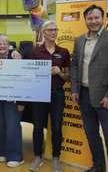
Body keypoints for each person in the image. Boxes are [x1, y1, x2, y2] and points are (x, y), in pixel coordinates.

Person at [71, 4, 108, 172]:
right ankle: (99, 167)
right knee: (92, 135)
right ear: (85, 20)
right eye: (90, 18)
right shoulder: (80, 40)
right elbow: (74, 66)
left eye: (96, 18)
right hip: (85, 95)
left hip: (106, 98)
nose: (93, 21)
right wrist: (74, 89)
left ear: (103, 19)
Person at [28, 21, 70, 172]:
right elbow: (29, 73)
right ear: (43, 32)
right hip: (39, 93)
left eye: (55, 30)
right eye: (50, 30)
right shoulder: (35, 51)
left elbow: (67, 77)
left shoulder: (63, 52)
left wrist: (59, 71)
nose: (53, 32)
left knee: (57, 127)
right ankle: (38, 157)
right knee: (38, 127)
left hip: (57, 93)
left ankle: (56, 158)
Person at [0, 35, 25, 168]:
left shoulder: (16, 58)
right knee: (2, 125)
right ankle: (5, 152)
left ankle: (16, 156)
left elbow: (24, 79)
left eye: (4, 43)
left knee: (13, 126)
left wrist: (21, 101)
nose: (2, 46)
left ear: (9, 45)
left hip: (14, 98)